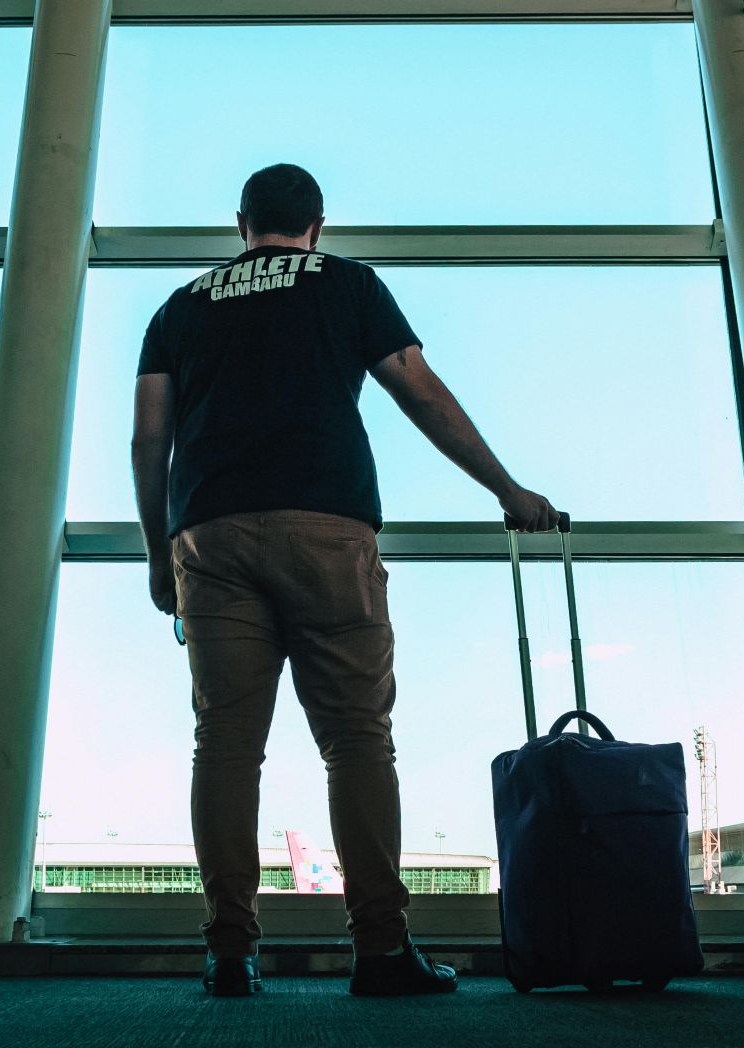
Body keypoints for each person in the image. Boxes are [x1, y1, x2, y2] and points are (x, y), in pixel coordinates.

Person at [130, 163, 560, 998]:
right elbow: (420, 393)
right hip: (327, 526)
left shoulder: (180, 306)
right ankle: (380, 949)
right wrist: (507, 489)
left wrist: (159, 553)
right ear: (317, 224)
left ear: (241, 223)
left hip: (210, 536)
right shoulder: (349, 284)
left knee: (224, 746)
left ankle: (227, 952)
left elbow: (149, 439)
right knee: (357, 740)